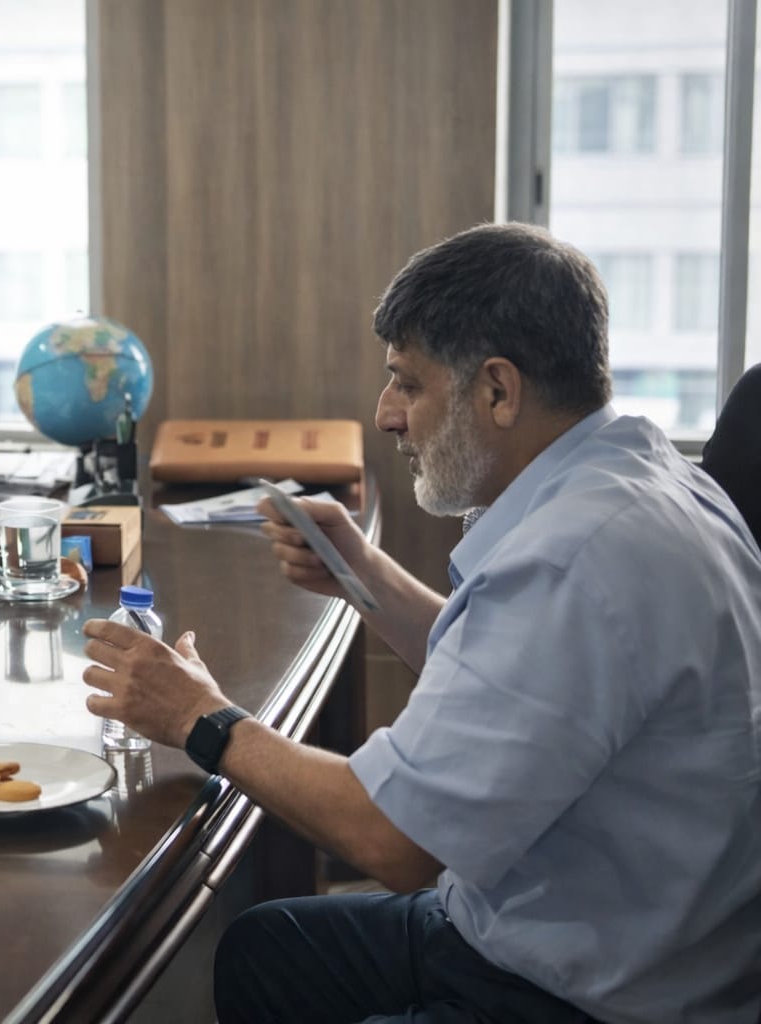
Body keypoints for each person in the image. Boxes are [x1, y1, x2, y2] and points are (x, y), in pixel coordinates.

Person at [83, 223, 761, 1023]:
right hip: (600, 930)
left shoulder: (573, 560)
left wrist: (200, 718)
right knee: (266, 949)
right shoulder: (648, 474)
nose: (386, 415)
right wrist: (364, 576)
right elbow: (515, 683)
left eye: (407, 384)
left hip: (592, 997)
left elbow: (393, 840)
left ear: (498, 390)